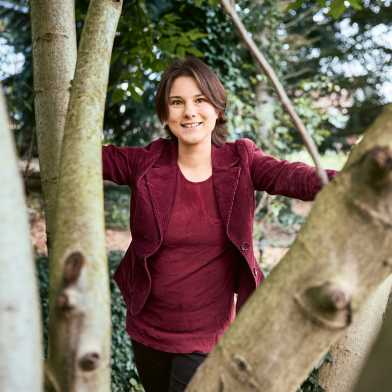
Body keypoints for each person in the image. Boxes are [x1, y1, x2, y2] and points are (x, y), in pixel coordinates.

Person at [102, 56, 336, 392]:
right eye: (177, 102)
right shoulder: (145, 162)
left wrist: (357, 180)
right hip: (147, 328)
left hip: (207, 336)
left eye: (200, 100)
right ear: (166, 114)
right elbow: (87, 156)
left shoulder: (241, 160)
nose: (189, 112)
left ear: (217, 107)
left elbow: (293, 177)